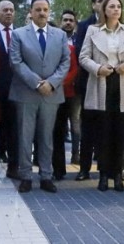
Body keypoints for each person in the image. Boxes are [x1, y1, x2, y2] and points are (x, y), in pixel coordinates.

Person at [79, 0, 124, 192]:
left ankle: (118, 175)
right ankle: (104, 175)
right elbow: (83, 57)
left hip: (123, 82)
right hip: (102, 82)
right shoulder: (93, 30)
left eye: (119, 7)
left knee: (121, 132)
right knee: (103, 132)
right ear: (104, 10)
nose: (116, 9)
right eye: (112, 6)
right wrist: (98, 68)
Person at [10, 0, 71, 193]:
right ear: (31, 12)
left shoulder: (60, 35)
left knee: (46, 137)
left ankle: (46, 175)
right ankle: (25, 176)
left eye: (45, 9)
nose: (42, 13)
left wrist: (51, 83)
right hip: (26, 92)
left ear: (49, 11)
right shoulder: (19, 34)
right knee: (25, 137)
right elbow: (16, 62)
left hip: (51, 93)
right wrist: (37, 83)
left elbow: (65, 62)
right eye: (38, 9)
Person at [74, 0, 109, 181]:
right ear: (94, 5)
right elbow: (80, 53)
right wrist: (99, 67)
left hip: (111, 84)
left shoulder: (120, 26)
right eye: (100, 1)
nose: (104, 4)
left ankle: (106, 168)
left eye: (107, 1)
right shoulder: (84, 26)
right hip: (89, 82)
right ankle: (84, 169)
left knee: (107, 128)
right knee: (88, 129)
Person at [0, 0, 18, 177]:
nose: (8, 13)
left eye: (11, 10)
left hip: (16, 88)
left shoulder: (21, 33)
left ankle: (13, 165)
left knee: (14, 128)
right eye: (5, 10)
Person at [52, 9, 78, 180]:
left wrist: (58, 83)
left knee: (68, 130)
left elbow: (74, 70)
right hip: (50, 95)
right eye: (65, 20)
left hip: (67, 94)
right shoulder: (49, 47)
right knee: (54, 132)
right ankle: (54, 167)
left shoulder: (71, 48)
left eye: (71, 20)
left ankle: (67, 165)